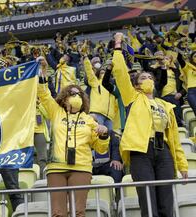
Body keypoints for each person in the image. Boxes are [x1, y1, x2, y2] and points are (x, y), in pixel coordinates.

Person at [112, 32, 188, 217]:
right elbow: (120, 72)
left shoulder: (166, 105)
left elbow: (175, 139)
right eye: (143, 78)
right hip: (141, 151)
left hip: (164, 153)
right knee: (148, 202)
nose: (148, 80)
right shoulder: (133, 97)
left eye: (150, 78)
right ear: (137, 85)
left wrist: (183, 165)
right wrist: (118, 44)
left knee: (166, 203)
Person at [37, 57, 109, 217]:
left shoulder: (90, 119)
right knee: (57, 213)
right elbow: (43, 93)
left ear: (83, 98)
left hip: (81, 168)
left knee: (78, 212)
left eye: (78, 94)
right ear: (64, 97)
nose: (75, 96)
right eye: (71, 93)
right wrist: (42, 71)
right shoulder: (56, 111)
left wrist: (104, 134)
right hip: (56, 168)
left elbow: (100, 148)